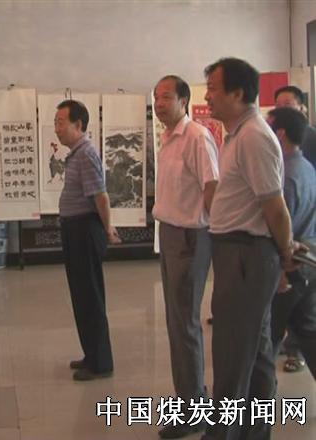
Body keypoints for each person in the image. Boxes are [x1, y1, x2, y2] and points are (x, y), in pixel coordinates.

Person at [202, 58, 302, 440]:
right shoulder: (237, 135)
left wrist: (285, 254)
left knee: (232, 354)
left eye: (213, 88)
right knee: (257, 354)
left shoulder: (254, 137)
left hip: (246, 254)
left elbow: (274, 206)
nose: (207, 96)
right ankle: (255, 433)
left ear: (238, 93)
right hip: (236, 252)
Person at [152, 75, 219, 439]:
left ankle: (195, 408)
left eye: (166, 97)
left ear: (184, 101)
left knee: (185, 323)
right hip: (170, 233)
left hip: (191, 237)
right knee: (176, 322)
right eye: (156, 97)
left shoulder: (196, 136)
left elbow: (212, 185)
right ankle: (190, 398)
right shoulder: (168, 137)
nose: (159, 103)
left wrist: (218, 234)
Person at [56, 100, 121, 381]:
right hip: (74, 229)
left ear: (79, 125)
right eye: (56, 122)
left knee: (90, 297)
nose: (57, 128)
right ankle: (91, 355)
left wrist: (108, 229)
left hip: (85, 230)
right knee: (81, 296)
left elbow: (101, 196)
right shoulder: (76, 154)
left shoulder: (86, 154)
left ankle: (101, 363)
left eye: (61, 122)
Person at [267, 106, 316, 380]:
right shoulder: (306, 167)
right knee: (307, 329)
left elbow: (282, 225)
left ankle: (258, 399)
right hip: (310, 259)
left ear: (280, 134)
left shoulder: (284, 175)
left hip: (292, 262)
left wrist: (282, 272)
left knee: (268, 335)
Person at [275, 85, 316, 168]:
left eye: (287, 104)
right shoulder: (274, 134)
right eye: (278, 105)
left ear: (301, 108)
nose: (282, 109)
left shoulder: (312, 136)